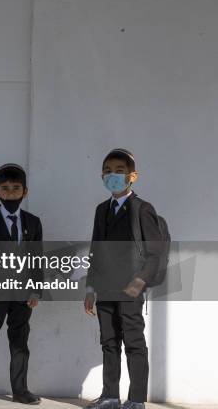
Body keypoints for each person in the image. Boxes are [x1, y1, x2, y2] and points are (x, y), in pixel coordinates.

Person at [84, 148, 161, 409]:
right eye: (107, 171)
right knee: (109, 341)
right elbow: (96, 249)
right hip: (105, 287)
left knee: (134, 341)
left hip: (130, 289)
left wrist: (140, 281)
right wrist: (90, 288)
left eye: (119, 171)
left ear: (132, 176)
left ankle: (137, 398)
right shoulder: (101, 210)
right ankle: (110, 396)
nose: (112, 176)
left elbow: (155, 252)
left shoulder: (142, 209)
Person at [0, 164, 43, 407]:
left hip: (23, 294)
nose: (10, 193)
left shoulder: (33, 223)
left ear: (25, 191)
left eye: (16, 189)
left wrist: (36, 289)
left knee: (20, 341)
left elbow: (37, 258)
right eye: (5, 189)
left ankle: (20, 390)